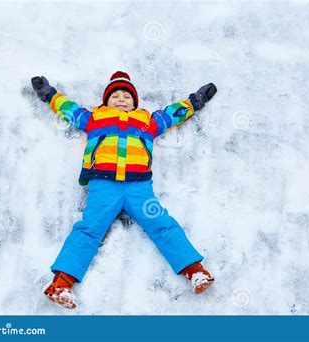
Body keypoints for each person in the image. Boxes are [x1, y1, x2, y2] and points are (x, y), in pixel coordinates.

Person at [31, 71, 217, 309]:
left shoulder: (148, 121)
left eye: (126, 96)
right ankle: (61, 284)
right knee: (89, 229)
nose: (121, 99)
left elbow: (173, 114)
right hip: (103, 185)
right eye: (115, 95)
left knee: (161, 223)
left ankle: (195, 271)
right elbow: (68, 108)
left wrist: (196, 100)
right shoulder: (94, 118)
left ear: (134, 102)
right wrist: (49, 94)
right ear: (106, 101)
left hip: (138, 187)